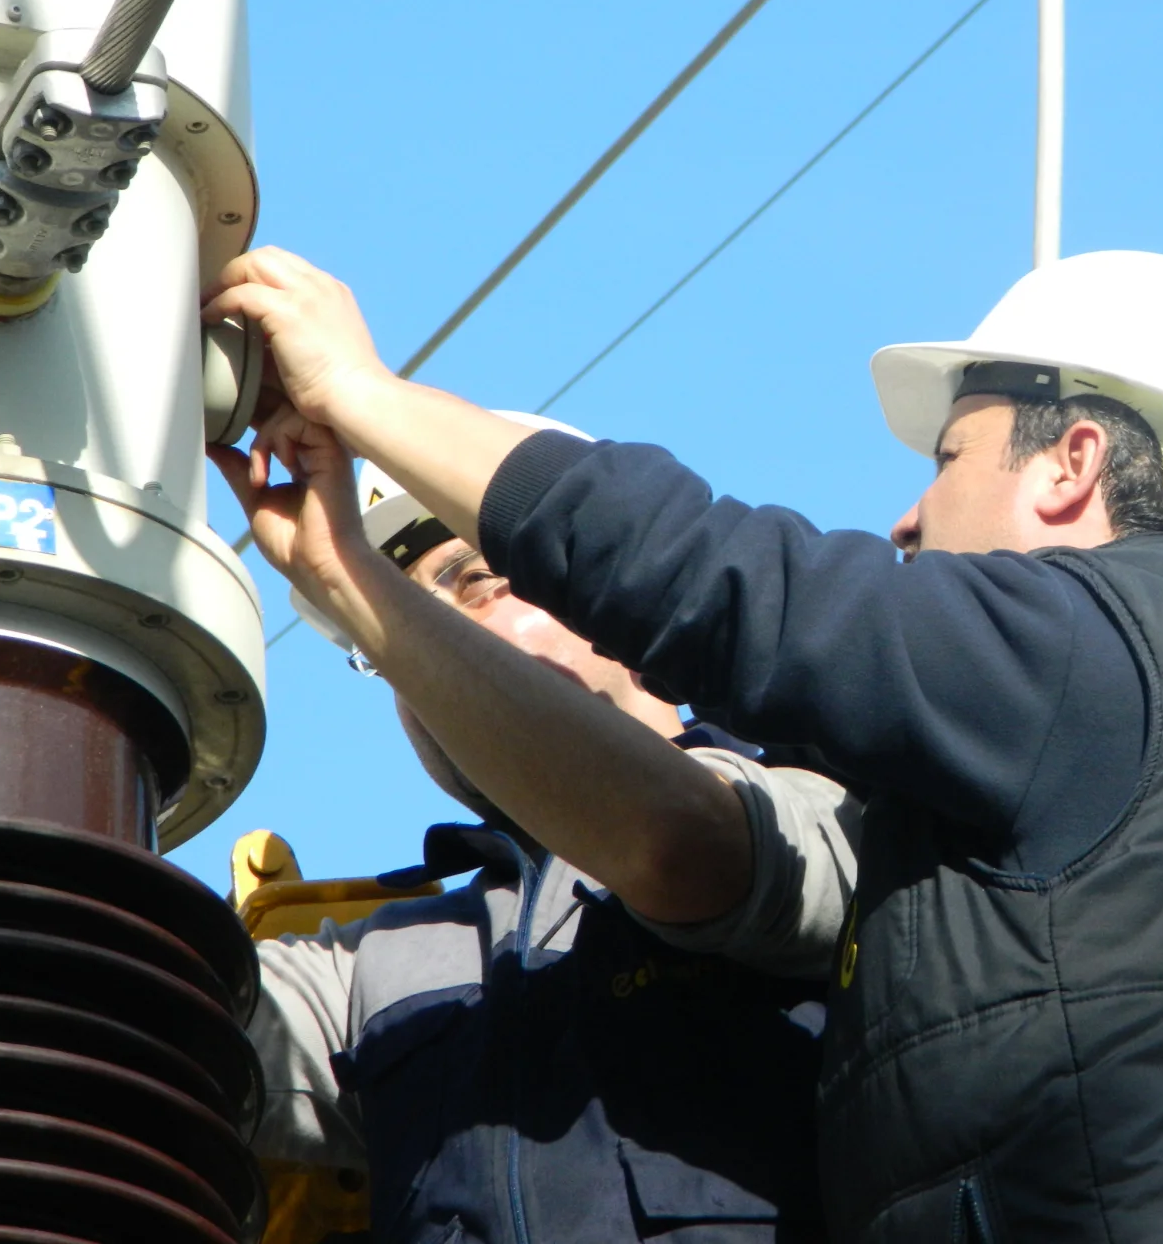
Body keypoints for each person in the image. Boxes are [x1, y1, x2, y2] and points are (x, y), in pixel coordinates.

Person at [208, 245, 1163, 1242]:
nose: (906, 518)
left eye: (946, 457)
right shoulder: (1102, 745)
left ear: (1073, 463)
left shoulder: (1104, 656)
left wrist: (363, 404)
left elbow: (730, 596)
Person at [221, 410, 859, 1243]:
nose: (421, 658)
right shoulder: (376, 967)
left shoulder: (829, 806)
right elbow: (140, 1032)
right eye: (390, 646)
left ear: (614, 592)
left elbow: (674, 845)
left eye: (473, 580)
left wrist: (351, 582)